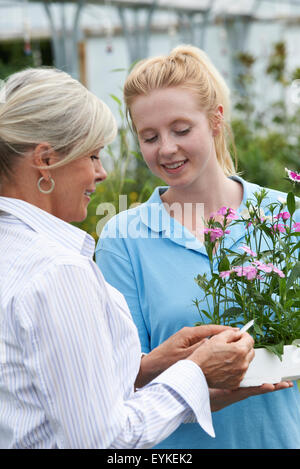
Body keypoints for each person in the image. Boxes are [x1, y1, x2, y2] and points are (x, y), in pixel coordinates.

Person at [0, 67, 273, 450]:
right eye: (93, 155)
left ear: (216, 120)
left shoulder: (13, 251)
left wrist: (148, 366)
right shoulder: (58, 270)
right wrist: (194, 373)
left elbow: (48, 386)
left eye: (181, 130)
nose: (101, 172)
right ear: (45, 161)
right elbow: (102, 440)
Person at [95, 45, 300, 449]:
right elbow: (118, 380)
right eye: (149, 137)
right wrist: (199, 387)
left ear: (215, 120)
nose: (166, 148)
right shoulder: (123, 238)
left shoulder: (283, 216)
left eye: (181, 129)